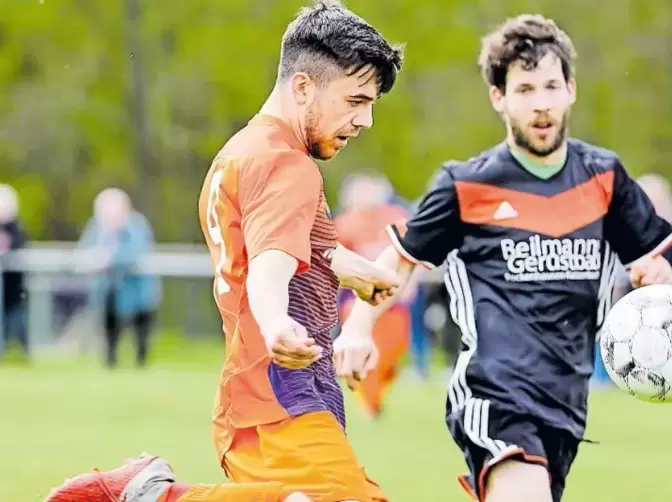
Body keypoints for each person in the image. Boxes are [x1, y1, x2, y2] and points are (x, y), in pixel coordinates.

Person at [44, 2, 403, 501]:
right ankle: (153, 496)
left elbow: (276, 243)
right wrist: (277, 320)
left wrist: (347, 267)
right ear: (302, 86)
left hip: (258, 395)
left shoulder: (240, 152)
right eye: (355, 100)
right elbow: (267, 269)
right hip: (281, 394)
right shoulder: (286, 166)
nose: (365, 120)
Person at [336, 14, 672, 502]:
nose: (540, 103)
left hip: (567, 401)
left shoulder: (605, 178)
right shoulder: (466, 184)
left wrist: (654, 279)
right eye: (524, 90)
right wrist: (357, 327)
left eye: (550, 86)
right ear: (499, 97)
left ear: (571, 90)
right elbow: (401, 258)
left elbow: (654, 265)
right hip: (493, 394)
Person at [335, 171, 414, 418]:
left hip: (394, 298)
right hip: (357, 298)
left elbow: (414, 254)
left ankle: (379, 387)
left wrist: (410, 285)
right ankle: (369, 403)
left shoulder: (396, 218)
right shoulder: (344, 223)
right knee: (367, 349)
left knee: (393, 353)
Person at [76, 188, 161, 368]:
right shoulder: (96, 227)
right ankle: (111, 362)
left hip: (138, 290)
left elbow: (136, 252)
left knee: (141, 330)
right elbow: (84, 250)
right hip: (109, 288)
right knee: (110, 328)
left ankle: (141, 363)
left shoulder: (136, 226)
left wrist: (108, 259)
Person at [0, 184, 29, 361]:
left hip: (14, 288)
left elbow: (21, 248)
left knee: (18, 323)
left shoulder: (17, 228)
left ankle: (23, 353)